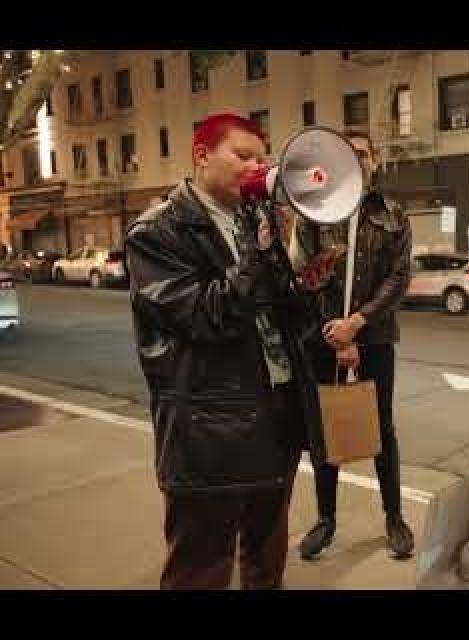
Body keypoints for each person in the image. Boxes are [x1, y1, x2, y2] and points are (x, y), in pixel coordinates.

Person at [125, 113, 324, 589]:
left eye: (261, 157)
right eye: (243, 155)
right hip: (211, 430)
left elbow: (274, 317)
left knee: (266, 558)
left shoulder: (254, 220)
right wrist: (258, 258)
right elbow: (203, 315)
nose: (256, 166)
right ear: (202, 155)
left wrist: (304, 283)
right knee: (202, 567)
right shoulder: (157, 232)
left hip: (275, 417)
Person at [293, 129, 415, 560]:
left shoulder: (393, 214)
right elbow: (304, 279)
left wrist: (358, 323)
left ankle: (394, 517)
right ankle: (325, 520)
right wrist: (335, 331)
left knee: (382, 429)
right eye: (350, 154)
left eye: (364, 154)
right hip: (324, 340)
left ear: (375, 161)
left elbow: (399, 277)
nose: (359, 160)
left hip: (376, 339)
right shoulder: (314, 213)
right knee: (325, 429)